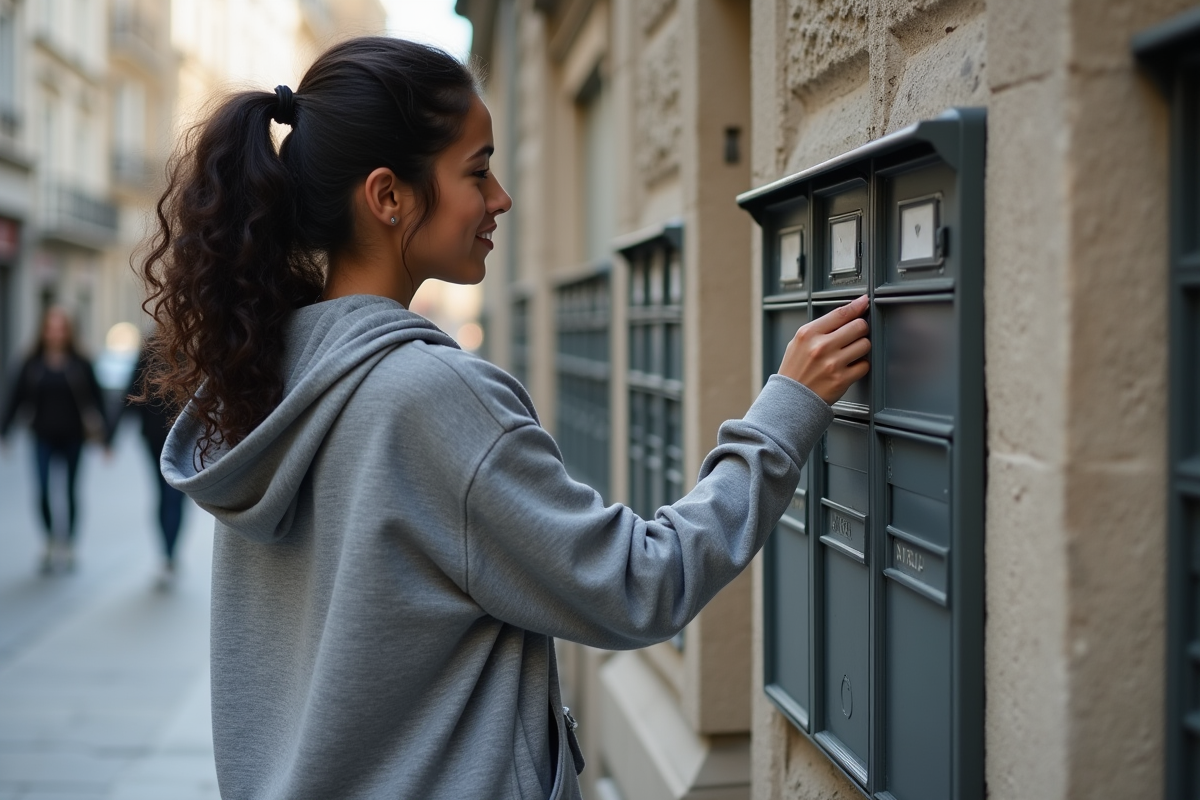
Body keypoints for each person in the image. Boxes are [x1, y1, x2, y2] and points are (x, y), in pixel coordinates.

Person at [141, 37, 870, 800]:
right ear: (388, 196)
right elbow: (640, 584)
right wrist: (788, 408)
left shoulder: (270, 382)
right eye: (477, 170)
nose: (500, 199)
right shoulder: (430, 398)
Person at [1, 306, 109, 574]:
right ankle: (50, 540)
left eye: (61, 328)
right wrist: (5, 433)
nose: (55, 333)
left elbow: (98, 399)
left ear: (69, 331)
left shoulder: (81, 362)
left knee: (71, 491)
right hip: (41, 436)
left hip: (74, 437)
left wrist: (107, 437)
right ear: (43, 330)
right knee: (42, 491)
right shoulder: (31, 363)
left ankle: (69, 544)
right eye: (51, 327)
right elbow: (14, 398)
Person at [117, 341, 187, 589]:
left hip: (184, 438)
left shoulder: (194, 345)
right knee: (163, 494)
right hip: (154, 437)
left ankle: (169, 554)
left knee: (175, 495)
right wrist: (111, 435)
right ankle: (167, 555)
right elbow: (133, 390)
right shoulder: (149, 349)